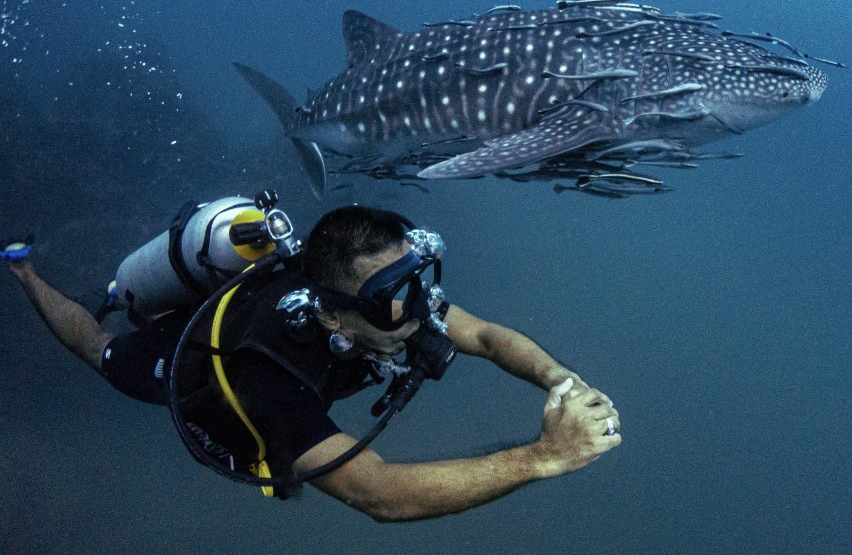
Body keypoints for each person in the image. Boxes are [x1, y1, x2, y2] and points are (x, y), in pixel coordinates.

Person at [3, 205, 621, 521]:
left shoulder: (395, 301)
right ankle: (25, 271)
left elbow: (483, 336)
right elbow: (376, 494)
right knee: (101, 351)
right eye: (388, 299)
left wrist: (561, 381)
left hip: (274, 308)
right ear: (330, 316)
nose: (418, 311)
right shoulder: (270, 383)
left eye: (418, 277)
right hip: (195, 367)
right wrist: (544, 455)